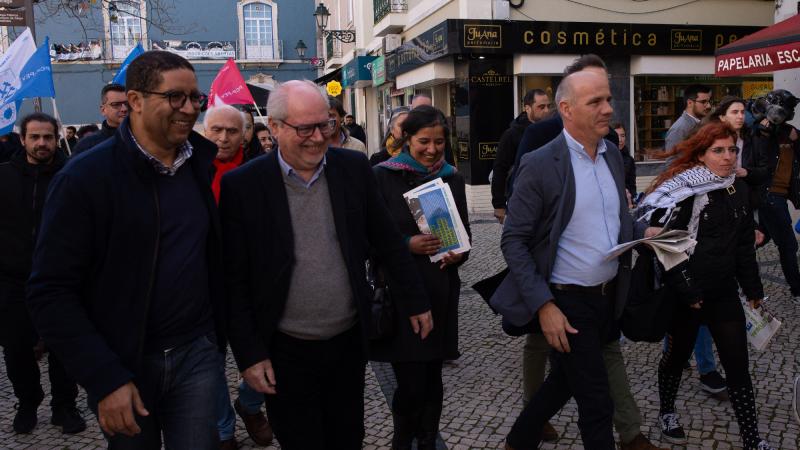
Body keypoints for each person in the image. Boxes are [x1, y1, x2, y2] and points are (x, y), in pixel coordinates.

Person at [27, 51, 226, 449]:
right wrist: (105, 377)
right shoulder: (85, 178)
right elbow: (50, 292)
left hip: (197, 355)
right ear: (135, 101)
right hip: (126, 362)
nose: (189, 109)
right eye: (175, 98)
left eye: (195, 98)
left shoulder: (199, 165)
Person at [219, 80, 430, 450]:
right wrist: (250, 356)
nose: (318, 138)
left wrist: (415, 300)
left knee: (348, 438)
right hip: (284, 348)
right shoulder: (244, 186)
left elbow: (385, 240)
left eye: (325, 125)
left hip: (347, 341)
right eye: (305, 129)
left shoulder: (352, 168)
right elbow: (233, 281)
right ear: (275, 127)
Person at [503, 55, 662, 450]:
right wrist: (544, 306)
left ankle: (519, 440)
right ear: (566, 109)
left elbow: (615, 220)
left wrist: (646, 231)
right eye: (596, 102)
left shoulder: (611, 154)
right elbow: (513, 241)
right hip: (566, 301)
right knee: (596, 403)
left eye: (608, 99)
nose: (608, 108)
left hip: (609, 298)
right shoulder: (539, 165)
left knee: (563, 383)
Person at [637, 122, 774, 450]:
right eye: (718, 150)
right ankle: (667, 412)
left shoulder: (737, 188)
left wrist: (753, 290)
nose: (728, 157)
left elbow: (743, 244)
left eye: (732, 150)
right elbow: (667, 246)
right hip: (686, 295)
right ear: (700, 155)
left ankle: (752, 440)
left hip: (723, 292)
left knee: (738, 365)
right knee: (676, 356)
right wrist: (689, 291)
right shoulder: (684, 191)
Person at [370, 105, 470, 449]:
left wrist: (460, 253)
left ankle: (427, 440)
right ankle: (402, 440)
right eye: (424, 141)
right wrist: (406, 243)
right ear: (406, 139)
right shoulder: (383, 176)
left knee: (432, 377)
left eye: (439, 142)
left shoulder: (452, 177)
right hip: (401, 293)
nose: (432, 149)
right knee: (411, 381)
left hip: (440, 289)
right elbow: (367, 237)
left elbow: (464, 235)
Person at [0, 112, 85, 435]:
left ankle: (65, 405)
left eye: (47, 137)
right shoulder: (3, 177)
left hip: (62, 280)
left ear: (57, 137)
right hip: (12, 282)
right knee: (16, 349)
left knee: (64, 347)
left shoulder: (72, 176)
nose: (41, 143)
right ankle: (27, 401)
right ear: (22, 140)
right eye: (34, 137)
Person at [204, 104, 273, 449]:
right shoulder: (190, 170)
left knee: (267, 349)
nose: (224, 137)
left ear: (245, 134)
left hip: (252, 278)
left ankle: (249, 404)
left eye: (232, 131)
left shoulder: (260, 170)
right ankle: (223, 429)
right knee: (211, 361)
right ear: (204, 130)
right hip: (205, 283)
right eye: (216, 130)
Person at [748, 102, 800, 299]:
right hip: (769, 195)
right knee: (788, 244)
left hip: (778, 195)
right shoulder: (760, 131)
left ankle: (734, 255)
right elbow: (758, 157)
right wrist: (764, 130)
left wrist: (795, 140)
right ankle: (797, 287)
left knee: (762, 235)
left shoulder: (790, 132)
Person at [492, 88, 551, 223]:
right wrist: (499, 204)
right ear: (527, 108)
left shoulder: (553, 131)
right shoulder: (512, 134)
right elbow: (500, 169)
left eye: (548, 106)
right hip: (521, 199)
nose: (546, 111)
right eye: (541, 107)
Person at [703, 96, 767, 210]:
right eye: (735, 112)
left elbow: (765, 171)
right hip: (717, 197)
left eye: (742, 112)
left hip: (747, 197)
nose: (740, 116)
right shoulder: (711, 138)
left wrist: (747, 172)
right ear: (722, 117)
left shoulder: (753, 137)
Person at [72, 83, 129, 155]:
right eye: (116, 104)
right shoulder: (87, 145)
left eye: (127, 104)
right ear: (103, 110)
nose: (124, 109)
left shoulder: (143, 140)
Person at [664, 84, 712, 152]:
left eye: (709, 101)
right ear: (690, 103)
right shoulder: (679, 129)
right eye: (703, 102)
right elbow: (672, 161)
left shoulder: (700, 123)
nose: (708, 106)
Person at [612, 122, 637, 201]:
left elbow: (632, 185)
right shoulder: (602, 157)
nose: (620, 139)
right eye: (616, 136)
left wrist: (632, 199)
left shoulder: (629, 160)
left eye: (622, 136)